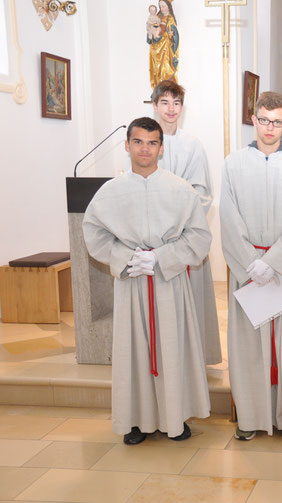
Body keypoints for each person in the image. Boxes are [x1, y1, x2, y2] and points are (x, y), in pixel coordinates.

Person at [83, 117, 212, 445]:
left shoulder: (180, 189)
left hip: (168, 281)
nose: (145, 149)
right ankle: (135, 421)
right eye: (138, 142)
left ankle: (176, 417)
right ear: (127, 145)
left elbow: (198, 237)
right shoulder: (110, 192)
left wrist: (161, 257)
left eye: (152, 143)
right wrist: (126, 258)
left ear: (161, 148)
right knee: (133, 351)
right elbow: (94, 234)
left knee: (172, 347)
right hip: (132, 282)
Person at [220, 92, 282, 440]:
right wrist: (251, 264)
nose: (269, 128)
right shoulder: (233, 164)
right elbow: (228, 218)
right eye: (264, 120)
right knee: (248, 347)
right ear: (254, 119)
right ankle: (251, 419)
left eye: (277, 122)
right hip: (249, 272)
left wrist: (275, 263)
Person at [151, 80, 221, 366]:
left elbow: (202, 193)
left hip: (184, 237)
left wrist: (177, 226)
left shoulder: (192, 145)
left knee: (189, 302)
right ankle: (160, 357)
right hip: (151, 238)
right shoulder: (145, 141)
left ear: (182, 107)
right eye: (165, 103)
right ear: (154, 105)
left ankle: (191, 358)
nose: (171, 109)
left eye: (176, 103)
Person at [148, 0, 179, 88]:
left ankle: (168, 88)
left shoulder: (170, 19)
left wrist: (169, 35)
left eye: (163, 6)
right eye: (160, 6)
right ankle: (158, 88)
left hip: (165, 47)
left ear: (168, 7)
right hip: (155, 47)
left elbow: (174, 35)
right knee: (156, 68)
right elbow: (151, 28)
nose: (161, 8)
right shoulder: (157, 16)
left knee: (166, 68)